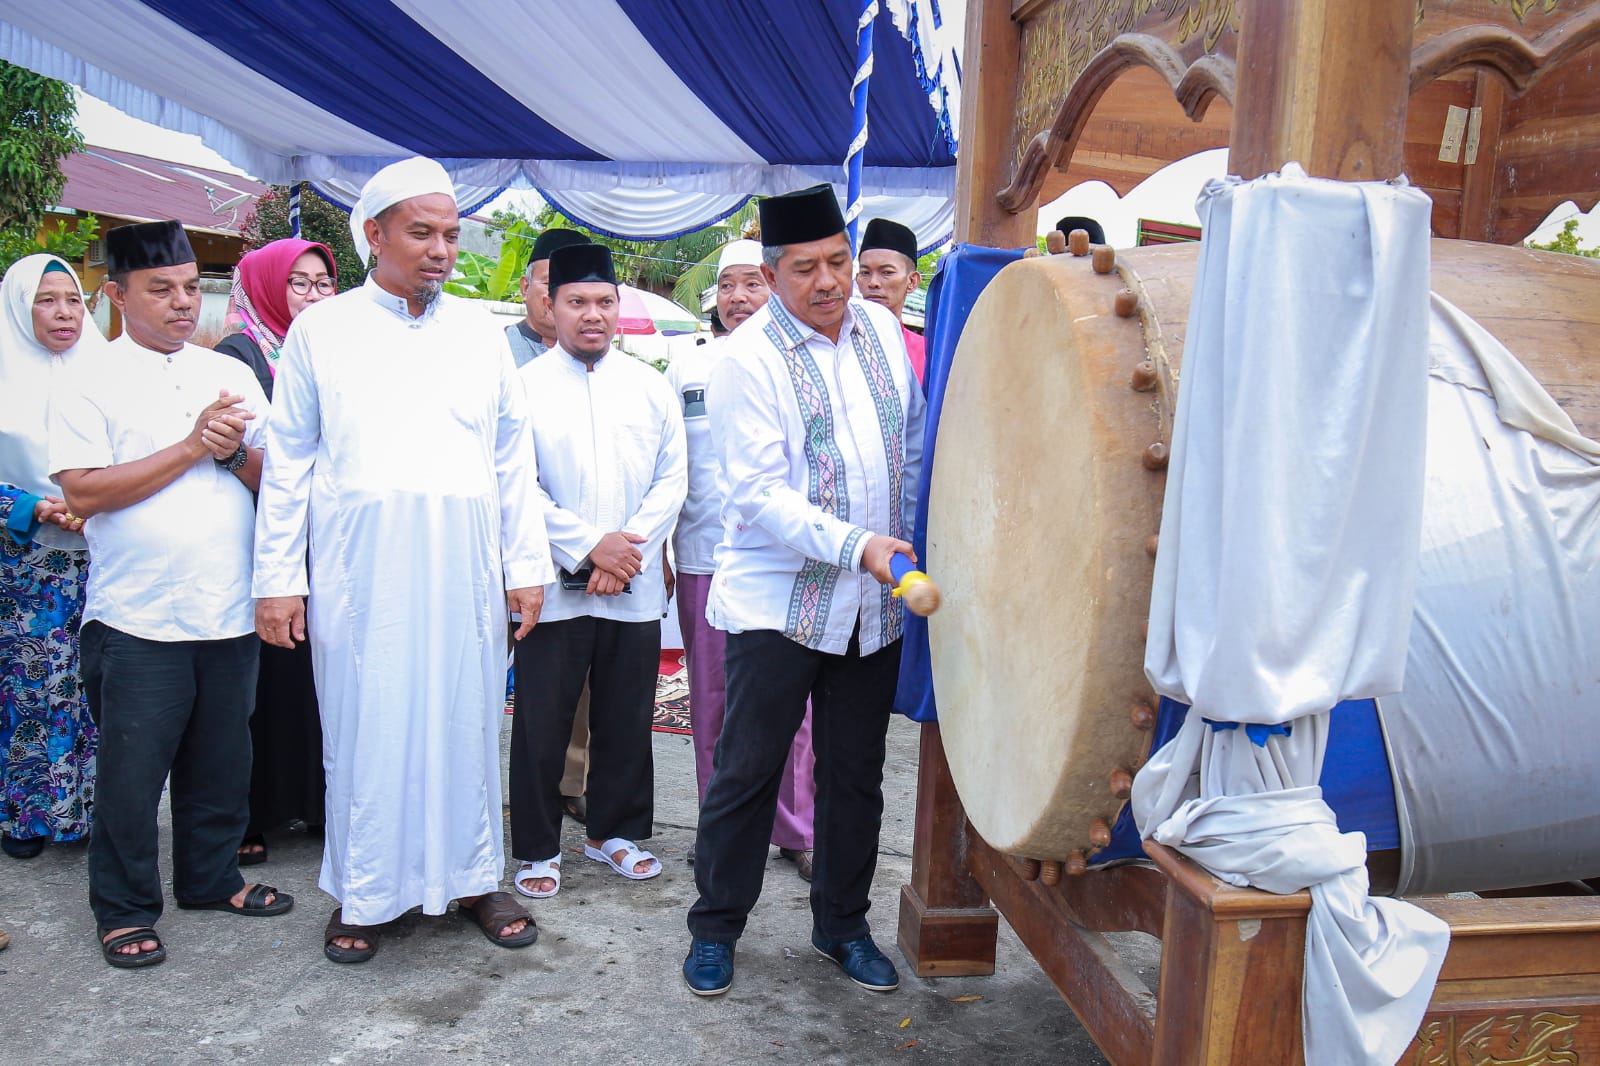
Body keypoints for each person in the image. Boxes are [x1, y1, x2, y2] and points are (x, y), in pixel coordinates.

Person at [252, 157, 551, 964]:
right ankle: (364, 887)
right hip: (361, 573)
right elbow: (288, 461)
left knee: (466, 716)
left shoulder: (479, 336)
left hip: (463, 573)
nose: (441, 250)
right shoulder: (323, 329)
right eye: (422, 232)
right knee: (365, 725)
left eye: (451, 234)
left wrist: (525, 566)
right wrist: (278, 580)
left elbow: (510, 460)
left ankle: (475, 876)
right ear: (373, 234)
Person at [682, 186, 925, 997]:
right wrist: (861, 547)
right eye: (805, 268)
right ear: (772, 272)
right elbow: (757, 495)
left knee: (855, 773)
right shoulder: (744, 360)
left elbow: (911, 445)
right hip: (779, 607)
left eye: (837, 262)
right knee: (747, 772)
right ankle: (716, 928)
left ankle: (842, 926)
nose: (827, 282)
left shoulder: (885, 329)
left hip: (874, 608)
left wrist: (914, 537)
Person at [50, 220, 292, 969]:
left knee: (222, 759)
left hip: (227, 608)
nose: (184, 303)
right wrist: (192, 445)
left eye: (193, 287)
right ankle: (123, 908)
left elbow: (277, 480)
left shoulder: (231, 372)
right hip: (137, 617)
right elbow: (84, 492)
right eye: (162, 290)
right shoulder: (88, 377)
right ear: (119, 296)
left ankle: (211, 877)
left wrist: (230, 457)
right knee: (131, 774)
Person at [509, 243, 686, 897]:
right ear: (551, 307)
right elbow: (515, 484)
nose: (591, 314)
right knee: (540, 721)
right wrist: (589, 546)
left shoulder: (649, 387)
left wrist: (625, 551)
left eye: (604, 302)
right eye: (577, 301)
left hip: (630, 586)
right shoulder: (521, 390)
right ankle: (535, 848)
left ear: (619, 309)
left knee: (625, 715)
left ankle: (614, 834)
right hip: (551, 588)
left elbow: (673, 479)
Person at [666, 239, 816, 881]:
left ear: (775, 287)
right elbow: (673, 465)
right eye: (726, 285)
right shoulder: (686, 365)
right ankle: (720, 826)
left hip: (784, 561)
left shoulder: (803, 360)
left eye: (751, 283)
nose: (737, 297)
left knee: (791, 704)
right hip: (706, 554)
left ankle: (798, 830)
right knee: (712, 701)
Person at [214, 238, 338, 867]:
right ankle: (255, 811)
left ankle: (317, 804)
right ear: (266, 287)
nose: (314, 296)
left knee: (322, 680)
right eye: (298, 284)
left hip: (334, 543)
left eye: (322, 283)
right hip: (271, 543)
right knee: (268, 679)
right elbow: (239, 453)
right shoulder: (238, 357)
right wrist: (243, 460)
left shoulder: (339, 351)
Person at [0, 254, 103, 863]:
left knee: (94, 687)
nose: (64, 313)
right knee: (30, 686)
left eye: (73, 299)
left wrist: (103, 500)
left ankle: (85, 809)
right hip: (26, 565)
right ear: (18, 306)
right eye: (46, 300)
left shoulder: (105, 372)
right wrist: (32, 506)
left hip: (102, 557)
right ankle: (24, 812)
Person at [505, 226, 595, 826]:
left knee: (581, 683)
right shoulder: (496, 357)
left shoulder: (606, 365)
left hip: (591, 555)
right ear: (534, 288)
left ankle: (571, 781)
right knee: (515, 680)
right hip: (510, 544)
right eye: (550, 287)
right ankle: (513, 790)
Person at [505, 227, 589, 368]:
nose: (562, 296)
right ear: (525, 287)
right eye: (550, 284)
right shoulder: (498, 348)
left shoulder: (597, 358)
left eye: (574, 287)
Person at [855, 217, 925, 385]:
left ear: (912, 281)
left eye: (886, 272)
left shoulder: (927, 352)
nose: (873, 282)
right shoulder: (839, 344)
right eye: (865, 272)